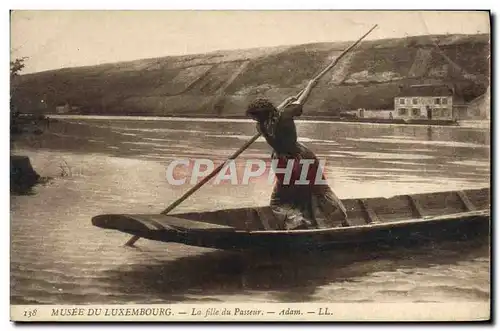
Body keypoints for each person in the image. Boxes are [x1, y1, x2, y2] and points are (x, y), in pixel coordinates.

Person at [246, 91, 349, 230]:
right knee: (319, 189)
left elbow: (273, 115)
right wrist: (308, 87)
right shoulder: (286, 115)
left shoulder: (261, 126)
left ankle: (297, 222)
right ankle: (339, 219)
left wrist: (285, 102)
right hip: (303, 156)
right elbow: (300, 101)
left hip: (283, 161)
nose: (254, 120)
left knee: (280, 200)